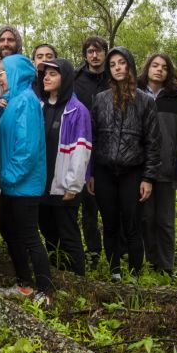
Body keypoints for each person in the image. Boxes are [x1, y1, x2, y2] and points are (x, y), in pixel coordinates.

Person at [88, 46, 161, 282]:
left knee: (132, 224)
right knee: (109, 223)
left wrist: (148, 178)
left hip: (133, 171)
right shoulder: (100, 100)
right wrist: (91, 173)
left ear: (129, 65)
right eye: (113, 64)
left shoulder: (145, 101)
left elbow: (153, 142)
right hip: (104, 170)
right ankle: (114, 271)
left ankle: (136, 274)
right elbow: (94, 138)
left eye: (121, 63)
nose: (117, 68)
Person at [0, 54, 53, 308]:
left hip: (22, 183)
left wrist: (7, 177)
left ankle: (45, 289)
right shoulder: (14, 100)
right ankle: (24, 285)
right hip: (9, 183)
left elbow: (27, 149)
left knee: (29, 235)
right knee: (9, 231)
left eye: (3, 73)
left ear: (16, 74)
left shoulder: (27, 101)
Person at [37, 58, 92, 276]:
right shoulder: (39, 106)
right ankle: (58, 273)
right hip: (41, 185)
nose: (46, 77)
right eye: (45, 74)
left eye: (53, 74)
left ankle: (79, 279)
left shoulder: (77, 111)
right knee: (48, 232)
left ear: (65, 77)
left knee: (68, 234)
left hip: (64, 187)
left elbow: (82, 150)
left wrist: (73, 185)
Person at [137, 53, 177, 279]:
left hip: (167, 169)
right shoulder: (135, 93)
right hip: (141, 170)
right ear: (147, 67)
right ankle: (151, 262)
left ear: (169, 73)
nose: (159, 69)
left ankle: (166, 267)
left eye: (164, 67)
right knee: (146, 219)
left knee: (165, 221)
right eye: (155, 65)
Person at [73, 36, 110, 270]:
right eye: (89, 52)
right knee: (87, 205)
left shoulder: (116, 75)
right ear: (85, 55)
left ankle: (118, 253)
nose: (94, 55)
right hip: (83, 146)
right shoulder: (76, 79)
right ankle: (93, 253)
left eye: (98, 51)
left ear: (105, 53)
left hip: (110, 146)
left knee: (109, 205)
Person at [0, 25, 23, 98]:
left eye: (10, 40)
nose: (5, 44)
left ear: (18, 43)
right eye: (2, 40)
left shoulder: (25, 70)